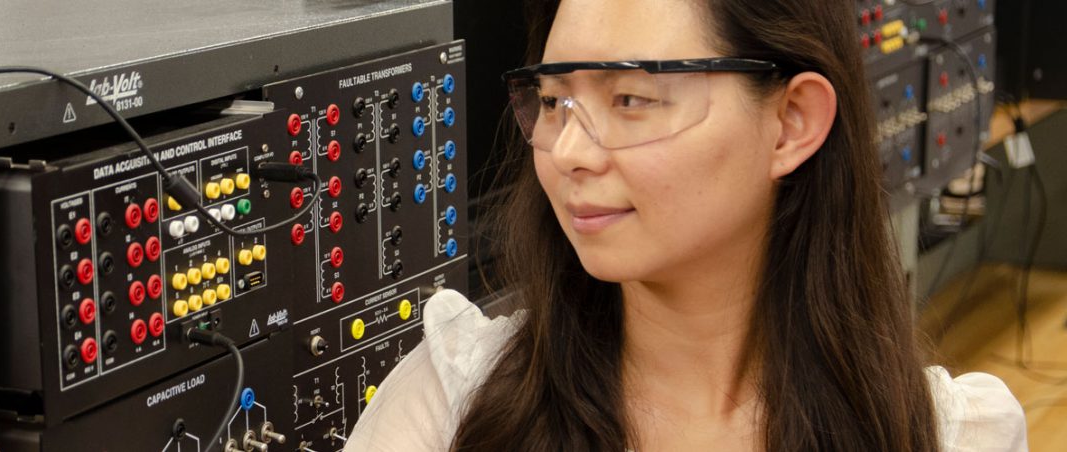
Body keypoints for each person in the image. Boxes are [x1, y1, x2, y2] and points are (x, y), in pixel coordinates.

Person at [344, 0, 1027, 451]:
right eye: (552, 101)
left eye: (631, 98)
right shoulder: (450, 406)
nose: (568, 152)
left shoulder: (952, 436)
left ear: (791, 123)